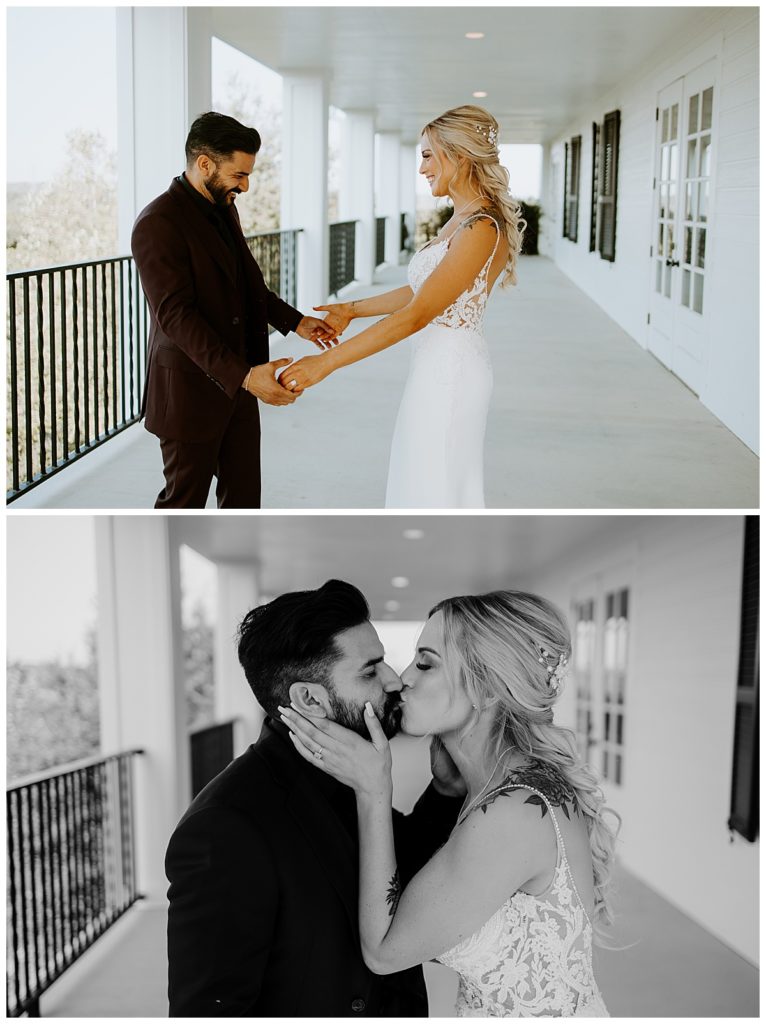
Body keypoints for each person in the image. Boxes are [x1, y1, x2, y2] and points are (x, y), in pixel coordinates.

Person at [281, 590, 619, 1017]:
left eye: (426, 663)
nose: (402, 678)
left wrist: (373, 791)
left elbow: (385, 952)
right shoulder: (510, 788)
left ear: (487, 687)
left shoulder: (513, 812)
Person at [165, 580, 465, 1016]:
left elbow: (401, 879)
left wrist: (442, 792)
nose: (394, 679)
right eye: (370, 669)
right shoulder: (223, 829)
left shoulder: (352, 768)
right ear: (308, 699)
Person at [277, 105, 526, 508]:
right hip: (434, 366)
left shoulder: (481, 226)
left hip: (452, 373)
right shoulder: (460, 219)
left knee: (437, 487)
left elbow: (417, 314)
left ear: (459, 157)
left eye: (428, 155)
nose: (422, 167)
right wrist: (352, 309)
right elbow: (422, 291)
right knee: (422, 480)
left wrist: (326, 363)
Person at [131, 111, 336, 509]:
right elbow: (175, 317)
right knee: (182, 507)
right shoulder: (157, 223)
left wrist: (297, 323)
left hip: (240, 388)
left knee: (244, 504)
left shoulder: (225, 205)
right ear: (204, 163)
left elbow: (248, 284)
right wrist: (243, 377)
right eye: (239, 175)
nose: (245, 185)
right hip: (189, 392)